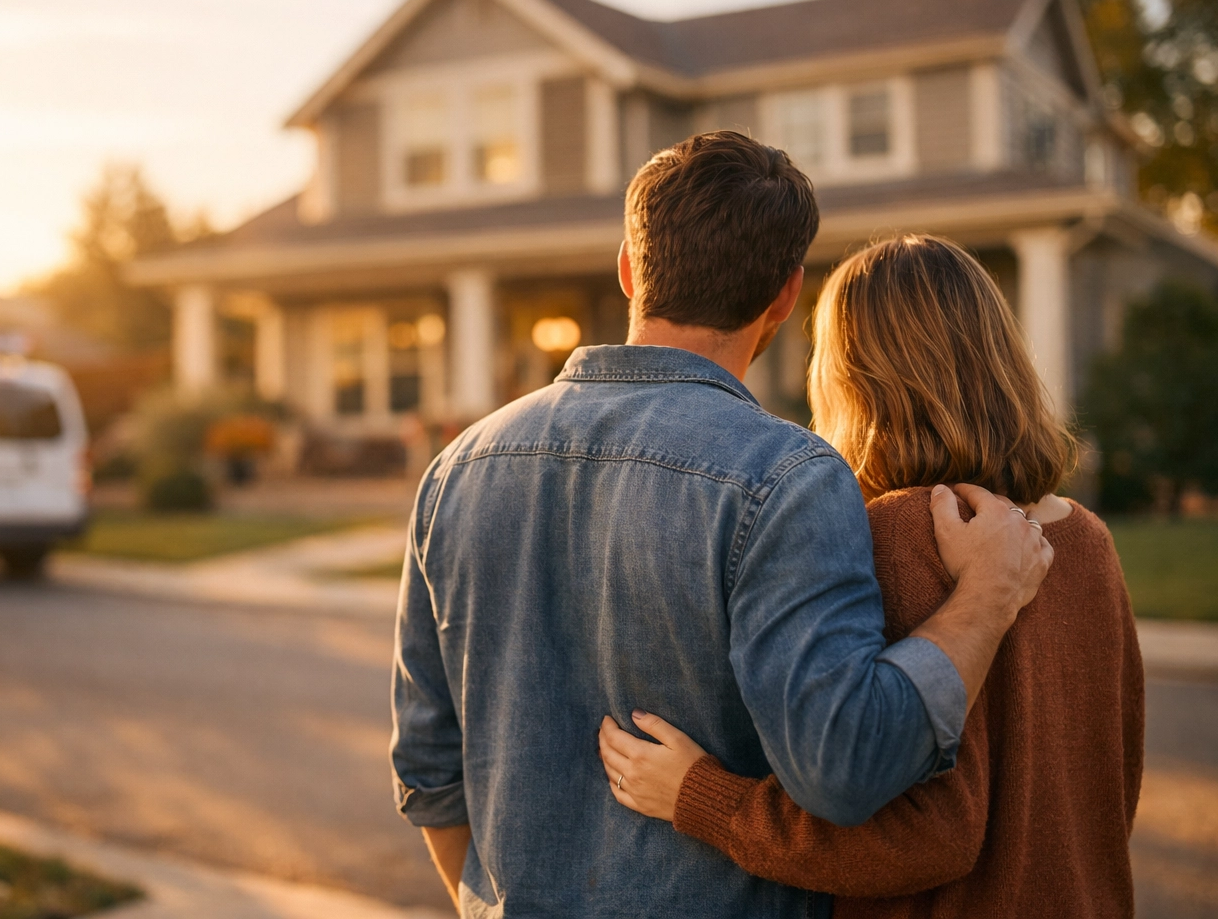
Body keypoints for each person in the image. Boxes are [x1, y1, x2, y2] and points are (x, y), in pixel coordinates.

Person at [390, 132, 1054, 918]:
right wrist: (985, 596)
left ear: (629, 268)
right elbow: (844, 765)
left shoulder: (456, 470)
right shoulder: (790, 481)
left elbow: (429, 772)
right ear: (785, 296)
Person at [599, 234, 1143, 917]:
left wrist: (703, 799)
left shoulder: (899, 536)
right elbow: (1112, 786)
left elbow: (922, 838)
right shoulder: (1086, 540)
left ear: (850, 377)